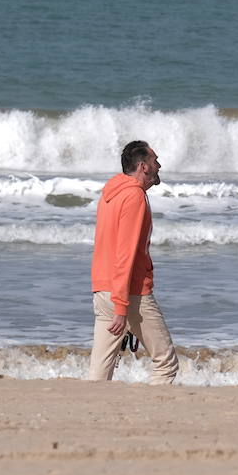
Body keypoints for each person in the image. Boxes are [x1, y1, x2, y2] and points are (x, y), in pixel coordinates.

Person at [87, 140, 179, 383]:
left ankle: (90, 415)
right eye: (155, 160)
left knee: (100, 370)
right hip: (130, 294)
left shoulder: (110, 194)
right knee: (166, 363)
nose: (159, 165)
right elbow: (125, 254)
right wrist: (122, 308)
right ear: (143, 166)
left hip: (103, 289)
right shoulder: (134, 196)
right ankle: (155, 417)